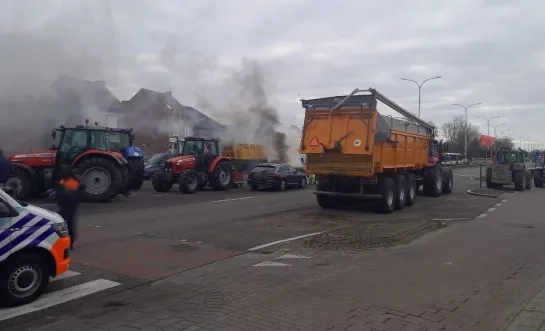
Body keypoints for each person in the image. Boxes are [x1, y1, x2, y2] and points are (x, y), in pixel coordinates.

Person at [55, 166, 86, 250]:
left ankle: (67, 243)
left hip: (68, 206)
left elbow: (62, 194)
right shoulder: (74, 181)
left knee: (62, 224)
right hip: (70, 206)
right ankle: (69, 243)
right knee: (68, 225)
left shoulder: (67, 182)